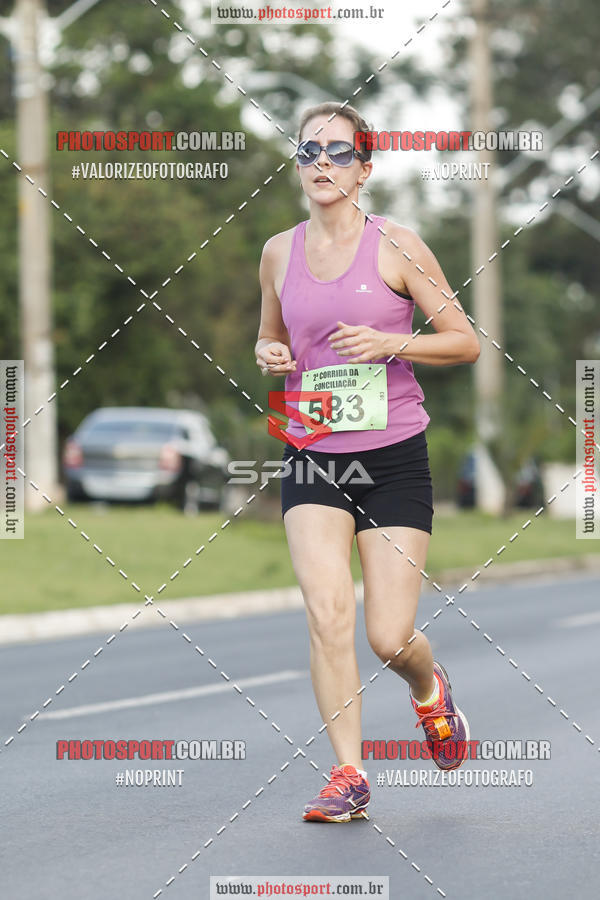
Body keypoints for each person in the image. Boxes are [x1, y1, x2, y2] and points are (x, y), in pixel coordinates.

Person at [255, 101, 480, 823]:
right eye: (308, 150)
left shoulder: (397, 246)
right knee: (327, 615)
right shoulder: (277, 252)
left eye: (338, 152)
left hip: (392, 459)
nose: (321, 162)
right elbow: (271, 337)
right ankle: (348, 773)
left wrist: (393, 345)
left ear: (365, 167)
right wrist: (269, 354)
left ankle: (428, 690)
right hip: (313, 452)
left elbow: (465, 340)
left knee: (387, 636)